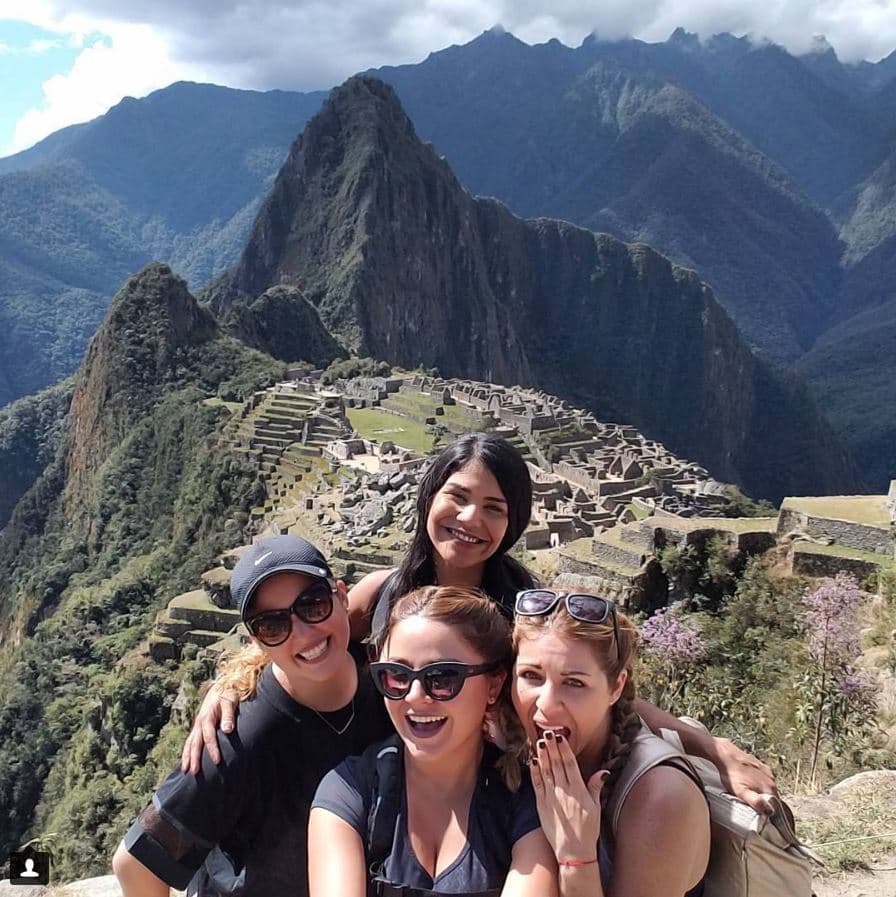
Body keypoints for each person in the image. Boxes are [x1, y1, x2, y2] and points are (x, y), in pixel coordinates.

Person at [181, 434, 777, 814]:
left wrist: (710, 747)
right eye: (457, 497)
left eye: (495, 508)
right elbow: (305, 635)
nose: (470, 520)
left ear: (513, 523)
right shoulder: (384, 593)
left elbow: (598, 692)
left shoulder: (524, 610)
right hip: (392, 794)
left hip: (500, 800)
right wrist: (227, 685)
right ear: (428, 498)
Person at [112, 534, 392, 897]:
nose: (304, 633)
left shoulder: (389, 681)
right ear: (256, 641)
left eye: (313, 604)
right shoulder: (238, 737)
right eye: (273, 625)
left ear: (341, 595)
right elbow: (134, 864)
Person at [308, 586, 559, 897]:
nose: (415, 697)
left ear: (494, 684)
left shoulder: (528, 800)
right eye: (397, 676)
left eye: (442, 678)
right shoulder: (350, 792)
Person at [512, 588, 710, 897]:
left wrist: (576, 857)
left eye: (574, 683)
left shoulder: (660, 797)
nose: (546, 705)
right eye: (531, 676)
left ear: (615, 688)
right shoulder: (513, 749)